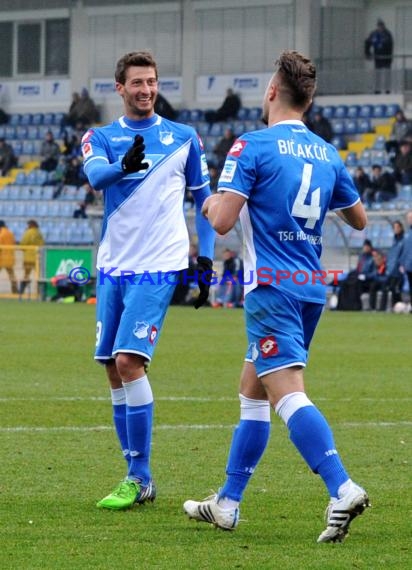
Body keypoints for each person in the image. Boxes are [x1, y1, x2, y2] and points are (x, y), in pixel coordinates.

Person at [183, 50, 369, 543]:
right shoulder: (328, 153)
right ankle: (227, 501)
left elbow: (222, 221)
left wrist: (205, 201)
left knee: (286, 393)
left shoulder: (252, 146)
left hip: (270, 288)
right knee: (252, 391)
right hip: (310, 290)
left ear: (270, 91)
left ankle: (341, 486)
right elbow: (359, 219)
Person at [82, 50, 215, 510]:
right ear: (119, 88)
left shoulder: (183, 139)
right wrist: (124, 166)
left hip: (159, 265)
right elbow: (96, 176)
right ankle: (135, 473)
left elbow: (204, 201)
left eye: (152, 82)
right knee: (111, 368)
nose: (146, 90)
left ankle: (139, 477)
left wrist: (206, 260)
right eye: (137, 83)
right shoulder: (99, 136)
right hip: (114, 266)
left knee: (128, 362)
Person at [364, 19, 394, 94]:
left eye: (381, 26)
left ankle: (387, 90)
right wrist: (367, 53)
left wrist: (389, 57)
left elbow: (389, 45)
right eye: (379, 26)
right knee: (378, 74)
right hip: (378, 58)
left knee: (387, 74)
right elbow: (367, 43)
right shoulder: (374, 34)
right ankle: (377, 90)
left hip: (386, 58)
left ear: (384, 26)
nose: (380, 28)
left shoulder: (387, 34)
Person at [19, 220, 45, 295]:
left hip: (28, 257)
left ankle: (21, 291)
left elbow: (23, 244)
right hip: (38, 257)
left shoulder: (28, 232)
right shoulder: (39, 233)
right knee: (38, 275)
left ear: (30, 225)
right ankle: (39, 291)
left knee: (26, 274)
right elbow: (42, 244)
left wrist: (24, 249)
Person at [0, 220, 18, 294]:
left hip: (1, 258)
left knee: (11, 275)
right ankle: (15, 290)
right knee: (12, 275)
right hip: (10, 257)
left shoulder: (1, 234)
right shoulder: (11, 233)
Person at [400, 210, 412, 310]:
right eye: (409, 218)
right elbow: (405, 250)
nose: (410, 220)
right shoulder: (407, 234)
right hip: (408, 266)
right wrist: (402, 263)